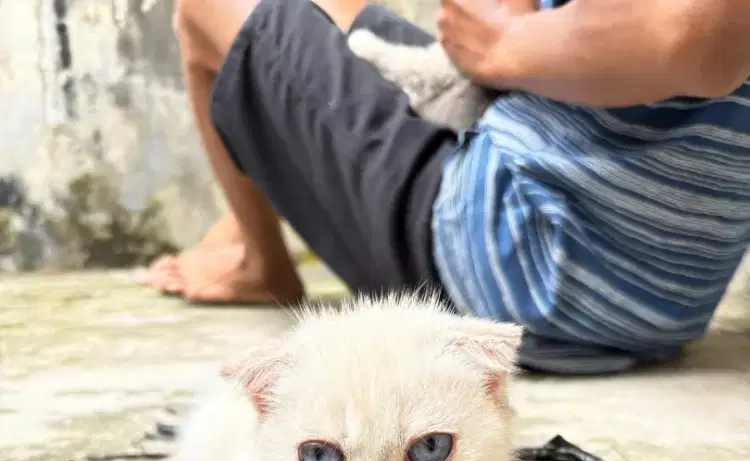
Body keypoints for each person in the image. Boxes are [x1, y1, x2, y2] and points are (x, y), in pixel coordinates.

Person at [137, 0, 750, 374]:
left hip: (526, 268)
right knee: (329, 14)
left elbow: (697, 34)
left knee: (205, 6)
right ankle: (249, 217)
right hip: (670, 295)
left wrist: (508, 45)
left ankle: (257, 262)